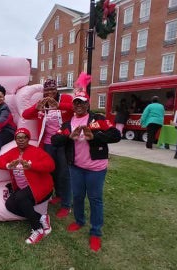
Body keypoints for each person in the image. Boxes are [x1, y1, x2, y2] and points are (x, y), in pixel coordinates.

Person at [51, 89, 121, 252]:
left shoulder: (97, 119)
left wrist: (95, 136)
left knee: (95, 199)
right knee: (77, 196)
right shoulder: (68, 123)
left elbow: (116, 135)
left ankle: (95, 232)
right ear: (73, 105)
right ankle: (79, 221)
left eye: (82, 102)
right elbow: (55, 140)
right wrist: (68, 137)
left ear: (88, 104)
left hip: (96, 169)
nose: (78, 105)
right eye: (76, 102)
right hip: (76, 167)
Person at [22, 78, 73, 218]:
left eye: (52, 89)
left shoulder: (66, 98)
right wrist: (36, 107)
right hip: (47, 143)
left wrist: (59, 105)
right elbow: (25, 115)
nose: (50, 92)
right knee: (52, 171)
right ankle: (59, 195)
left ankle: (66, 205)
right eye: (47, 90)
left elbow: (76, 108)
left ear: (56, 89)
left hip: (63, 142)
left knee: (64, 174)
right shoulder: (42, 102)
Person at [0, 128, 54, 244]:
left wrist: (32, 166)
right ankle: (41, 217)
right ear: (15, 140)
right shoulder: (12, 152)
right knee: (10, 204)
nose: (21, 140)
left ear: (28, 139)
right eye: (18, 138)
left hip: (41, 188)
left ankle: (37, 229)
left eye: (24, 137)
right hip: (24, 190)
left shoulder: (37, 151)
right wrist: (8, 165)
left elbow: (51, 165)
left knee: (21, 197)